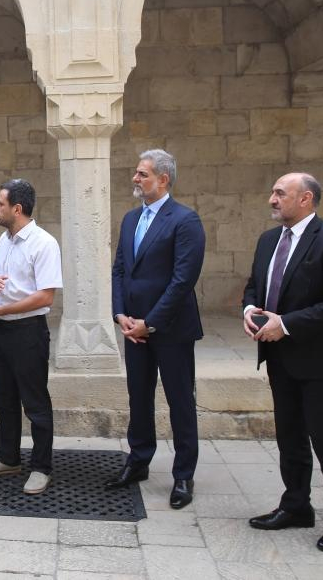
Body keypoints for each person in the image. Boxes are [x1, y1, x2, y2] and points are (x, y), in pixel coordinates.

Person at [242, 172, 323, 552]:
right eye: (273, 192)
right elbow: (255, 285)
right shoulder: (268, 240)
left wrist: (285, 324)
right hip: (281, 358)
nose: (272, 199)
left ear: (306, 199)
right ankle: (296, 505)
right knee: (290, 437)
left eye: (280, 193)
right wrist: (250, 310)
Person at [106, 149, 205, 510]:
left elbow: (182, 280)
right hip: (134, 328)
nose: (135, 178)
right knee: (139, 396)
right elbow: (120, 269)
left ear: (163, 179)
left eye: (142, 174)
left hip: (171, 329)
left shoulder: (185, 220)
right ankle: (138, 460)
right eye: (136, 173)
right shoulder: (131, 219)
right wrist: (121, 314)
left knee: (180, 401)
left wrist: (150, 323)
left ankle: (183, 474)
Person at [0, 179, 62, 496]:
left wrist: (2, 309)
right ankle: (8, 458)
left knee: (35, 403)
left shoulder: (44, 243)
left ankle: (41, 467)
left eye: (0, 203)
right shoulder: (4, 239)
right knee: (4, 397)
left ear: (17, 208)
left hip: (28, 332)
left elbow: (46, 297)